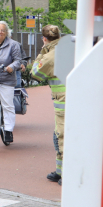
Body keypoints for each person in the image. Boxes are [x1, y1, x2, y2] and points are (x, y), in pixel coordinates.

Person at [30, 25, 65, 185]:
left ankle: (67, 174)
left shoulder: (50, 56)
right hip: (71, 99)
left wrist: (42, 52)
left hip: (63, 102)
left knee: (62, 136)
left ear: (44, 39)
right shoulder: (68, 48)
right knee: (58, 134)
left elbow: (35, 74)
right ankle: (59, 171)